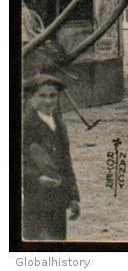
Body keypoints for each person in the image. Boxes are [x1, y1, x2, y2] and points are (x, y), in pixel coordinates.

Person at [22, 74, 80, 241]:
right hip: (34, 198)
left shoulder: (59, 124)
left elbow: (66, 164)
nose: (48, 101)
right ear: (31, 97)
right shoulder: (25, 125)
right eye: (42, 96)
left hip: (58, 200)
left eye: (53, 96)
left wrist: (73, 197)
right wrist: (37, 177)